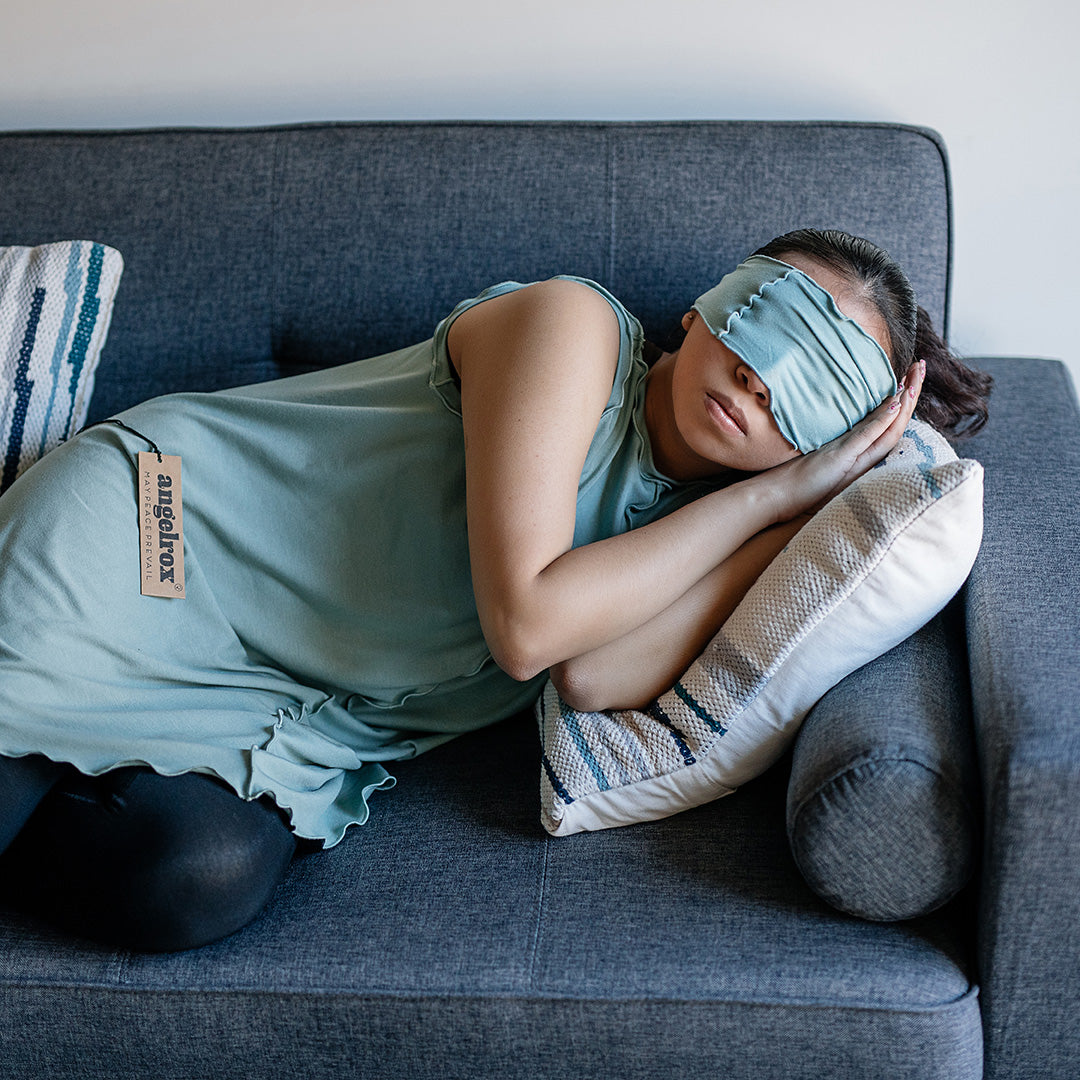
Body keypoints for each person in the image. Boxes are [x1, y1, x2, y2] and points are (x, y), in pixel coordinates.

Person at [0, 228, 991, 951]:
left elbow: (593, 677)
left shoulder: (701, 532)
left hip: (285, 703)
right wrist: (771, 494)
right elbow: (528, 628)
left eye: (815, 391)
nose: (759, 382)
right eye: (766, 327)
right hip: (165, 535)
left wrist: (777, 519)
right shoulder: (572, 327)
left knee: (194, 877)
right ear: (706, 307)